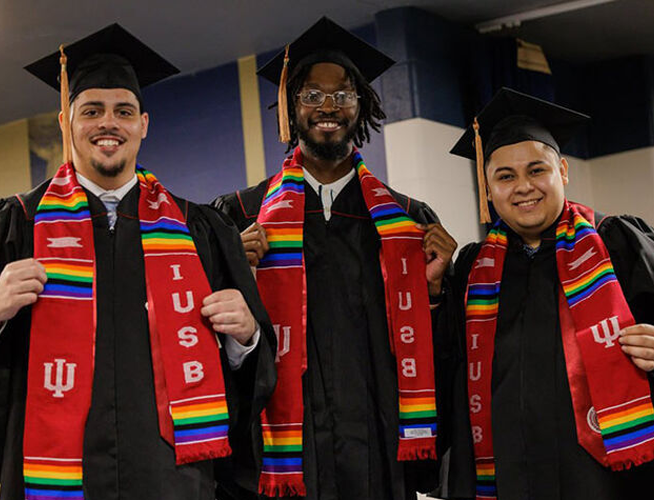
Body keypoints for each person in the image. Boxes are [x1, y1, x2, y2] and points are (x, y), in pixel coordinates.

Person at [0, 24, 275, 500]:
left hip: (171, 477)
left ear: (143, 125)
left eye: (123, 111)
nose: (109, 123)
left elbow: (252, 378)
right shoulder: (16, 226)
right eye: (92, 111)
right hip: (53, 477)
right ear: (65, 122)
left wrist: (246, 338)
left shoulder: (201, 231)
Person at [214, 17, 456, 500]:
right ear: (289, 106)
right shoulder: (238, 216)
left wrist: (433, 294)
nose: (329, 107)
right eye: (311, 95)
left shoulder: (407, 221)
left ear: (362, 106)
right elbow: (208, 351)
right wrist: (233, 273)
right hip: (280, 461)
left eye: (344, 95)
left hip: (378, 451)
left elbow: (442, 354)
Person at [439, 87, 654, 500]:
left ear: (564, 171)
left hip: (603, 476)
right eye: (505, 176)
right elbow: (447, 369)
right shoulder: (472, 269)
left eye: (537, 170)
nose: (524, 187)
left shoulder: (617, 244)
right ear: (487, 189)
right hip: (504, 476)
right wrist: (433, 289)